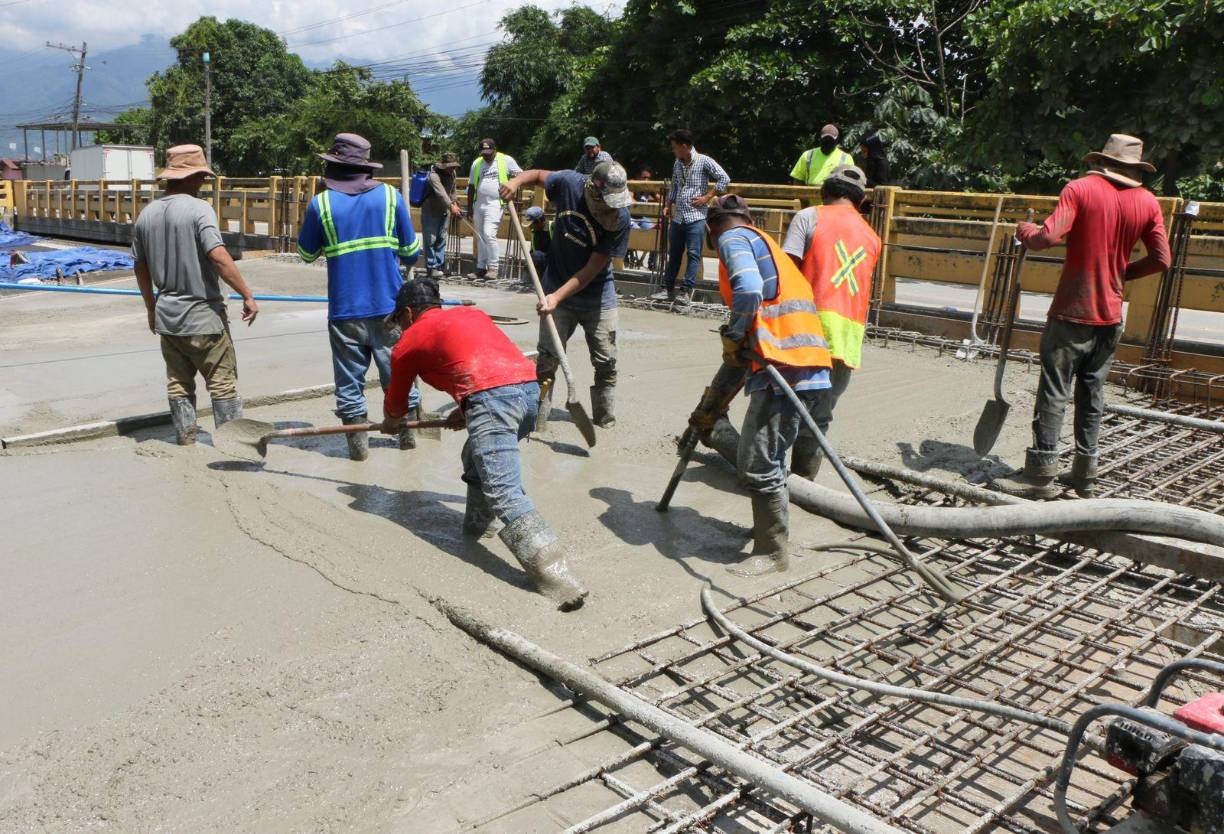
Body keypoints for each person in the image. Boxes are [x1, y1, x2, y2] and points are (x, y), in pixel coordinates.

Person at [380, 277, 588, 611]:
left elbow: (396, 407)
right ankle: (478, 526)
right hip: (529, 392)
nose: (400, 328)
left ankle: (560, 578)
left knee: (504, 491)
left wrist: (391, 422)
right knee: (474, 456)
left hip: (492, 399)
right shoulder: (471, 315)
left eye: (400, 321)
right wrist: (467, 410)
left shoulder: (408, 342)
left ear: (407, 313)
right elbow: (481, 362)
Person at [993, 134, 1171, 499]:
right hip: (1110, 317)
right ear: (1135, 168)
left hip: (1072, 312)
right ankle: (1084, 475)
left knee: (1055, 390)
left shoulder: (1080, 189)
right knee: (1092, 393)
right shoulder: (1148, 202)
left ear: (1103, 161)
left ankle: (1040, 475)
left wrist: (1024, 231)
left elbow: (1047, 237)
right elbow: (1162, 260)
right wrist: (1121, 274)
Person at [691, 195, 832, 577]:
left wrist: (734, 332)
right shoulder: (766, 244)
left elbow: (749, 290)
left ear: (710, 229)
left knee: (758, 463)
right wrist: (712, 404)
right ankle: (772, 535)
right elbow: (750, 342)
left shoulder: (733, 239)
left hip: (784, 366)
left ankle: (772, 552)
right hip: (804, 363)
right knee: (768, 457)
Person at [297, 132, 422, 461]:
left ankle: (358, 455)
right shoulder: (391, 198)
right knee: (398, 377)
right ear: (366, 167)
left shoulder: (320, 203)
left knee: (349, 385)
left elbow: (306, 254)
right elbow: (411, 254)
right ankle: (409, 448)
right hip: (390, 308)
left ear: (333, 166)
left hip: (344, 311)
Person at [132, 143, 259, 445]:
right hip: (204, 319)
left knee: (178, 384)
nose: (203, 183)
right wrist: (247, 295)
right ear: (191, 177)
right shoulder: (200, 210)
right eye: (201, 177)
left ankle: (185, 439)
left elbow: (140, 268)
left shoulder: (146, 215)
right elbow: (218, 255)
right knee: (222, 385)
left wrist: (151, 309)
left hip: (168, 319)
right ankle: (235, 446)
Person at [499, 161, 632, 430]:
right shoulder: (570, 184)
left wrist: (557, 296)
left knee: (606, 360)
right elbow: (536, 174)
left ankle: (605, 418)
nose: (611, 207)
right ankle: (538, 419)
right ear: (595, 189)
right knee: (547, 360)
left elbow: (592, 268)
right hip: (556, 288)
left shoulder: (620, 220)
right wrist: (515, 183)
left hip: (597, 296)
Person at [780, 165, 881, 477]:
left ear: (824, 192)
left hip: (806, 328)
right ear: (861, 201)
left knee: (783, 410)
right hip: (846, 338)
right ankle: (804, 482)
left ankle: (764, 484)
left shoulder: (810, 217)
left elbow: (786, 272)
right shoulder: (873, 237)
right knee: (820, 415)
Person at [651, 129, 730, 304]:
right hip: (679, 216)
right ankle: (667, 289)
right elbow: (675, 186)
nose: (673, 150)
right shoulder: (677, 164)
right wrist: (667, 205)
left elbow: (724, 178)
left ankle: (686, 291)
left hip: (696, 216)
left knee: (693, 254)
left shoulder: (704, 161)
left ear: (684, 147)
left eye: (675, 147)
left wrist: (707, 197)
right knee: (674, 254)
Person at [465, 138, 523, 281]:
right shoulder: (477, 163)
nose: (486, 156)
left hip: (496, 203)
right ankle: (481, 267)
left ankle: (493, 268)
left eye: (489, 153)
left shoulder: (505, 160)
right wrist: (470, 209)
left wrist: (513, 190)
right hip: (479, 204)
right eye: (484, 153)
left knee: (489, 234)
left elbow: (521, 176)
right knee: (479, 236)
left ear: (494, 150)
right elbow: (471, 186)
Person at [420, 152, 462, 278]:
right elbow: (441, 193)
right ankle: (431, 267)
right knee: (430, 240)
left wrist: (455, 203)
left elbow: (452, 191)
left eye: (454, 167)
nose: (452, 169)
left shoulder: (453, 174)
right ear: (443, 165)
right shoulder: (434, 176)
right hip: (430, 211)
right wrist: (451, 206)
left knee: (442, 239)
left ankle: (439, 265)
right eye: (450, 167)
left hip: (444, 210)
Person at [790, 124, 855, 187]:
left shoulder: (846, 158)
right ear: (820, 139)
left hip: (835, 196)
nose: (828, 143)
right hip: (810, 196)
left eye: (831, 140)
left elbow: (851, 184)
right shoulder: (807, 155)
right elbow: (798, 180)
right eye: (825, 140)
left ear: (836, 140)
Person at [523, 204, 550, 278]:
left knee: (537, 255)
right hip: (542, 264)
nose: (530, 227)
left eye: (531, 224)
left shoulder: (552, 227)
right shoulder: (534, 232)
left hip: (554, 263)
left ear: (538, 221)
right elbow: (532, 251)